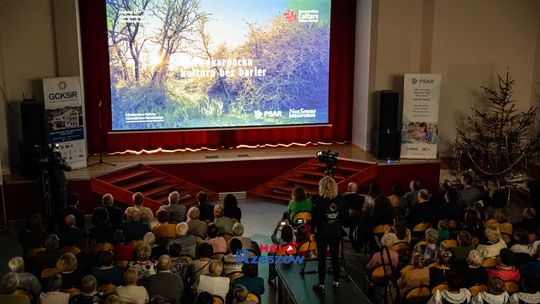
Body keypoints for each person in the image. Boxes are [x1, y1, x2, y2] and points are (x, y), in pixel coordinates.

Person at [311, 176, 345, 293]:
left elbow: (315, 219)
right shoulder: (340, 199)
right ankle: (336, 282)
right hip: (335, 232)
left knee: (322, 259)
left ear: (322, 187)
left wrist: (311, 232)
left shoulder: (318, 201)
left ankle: (321, 285)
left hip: (322, 233)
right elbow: (343, 216)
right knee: (336, 258)